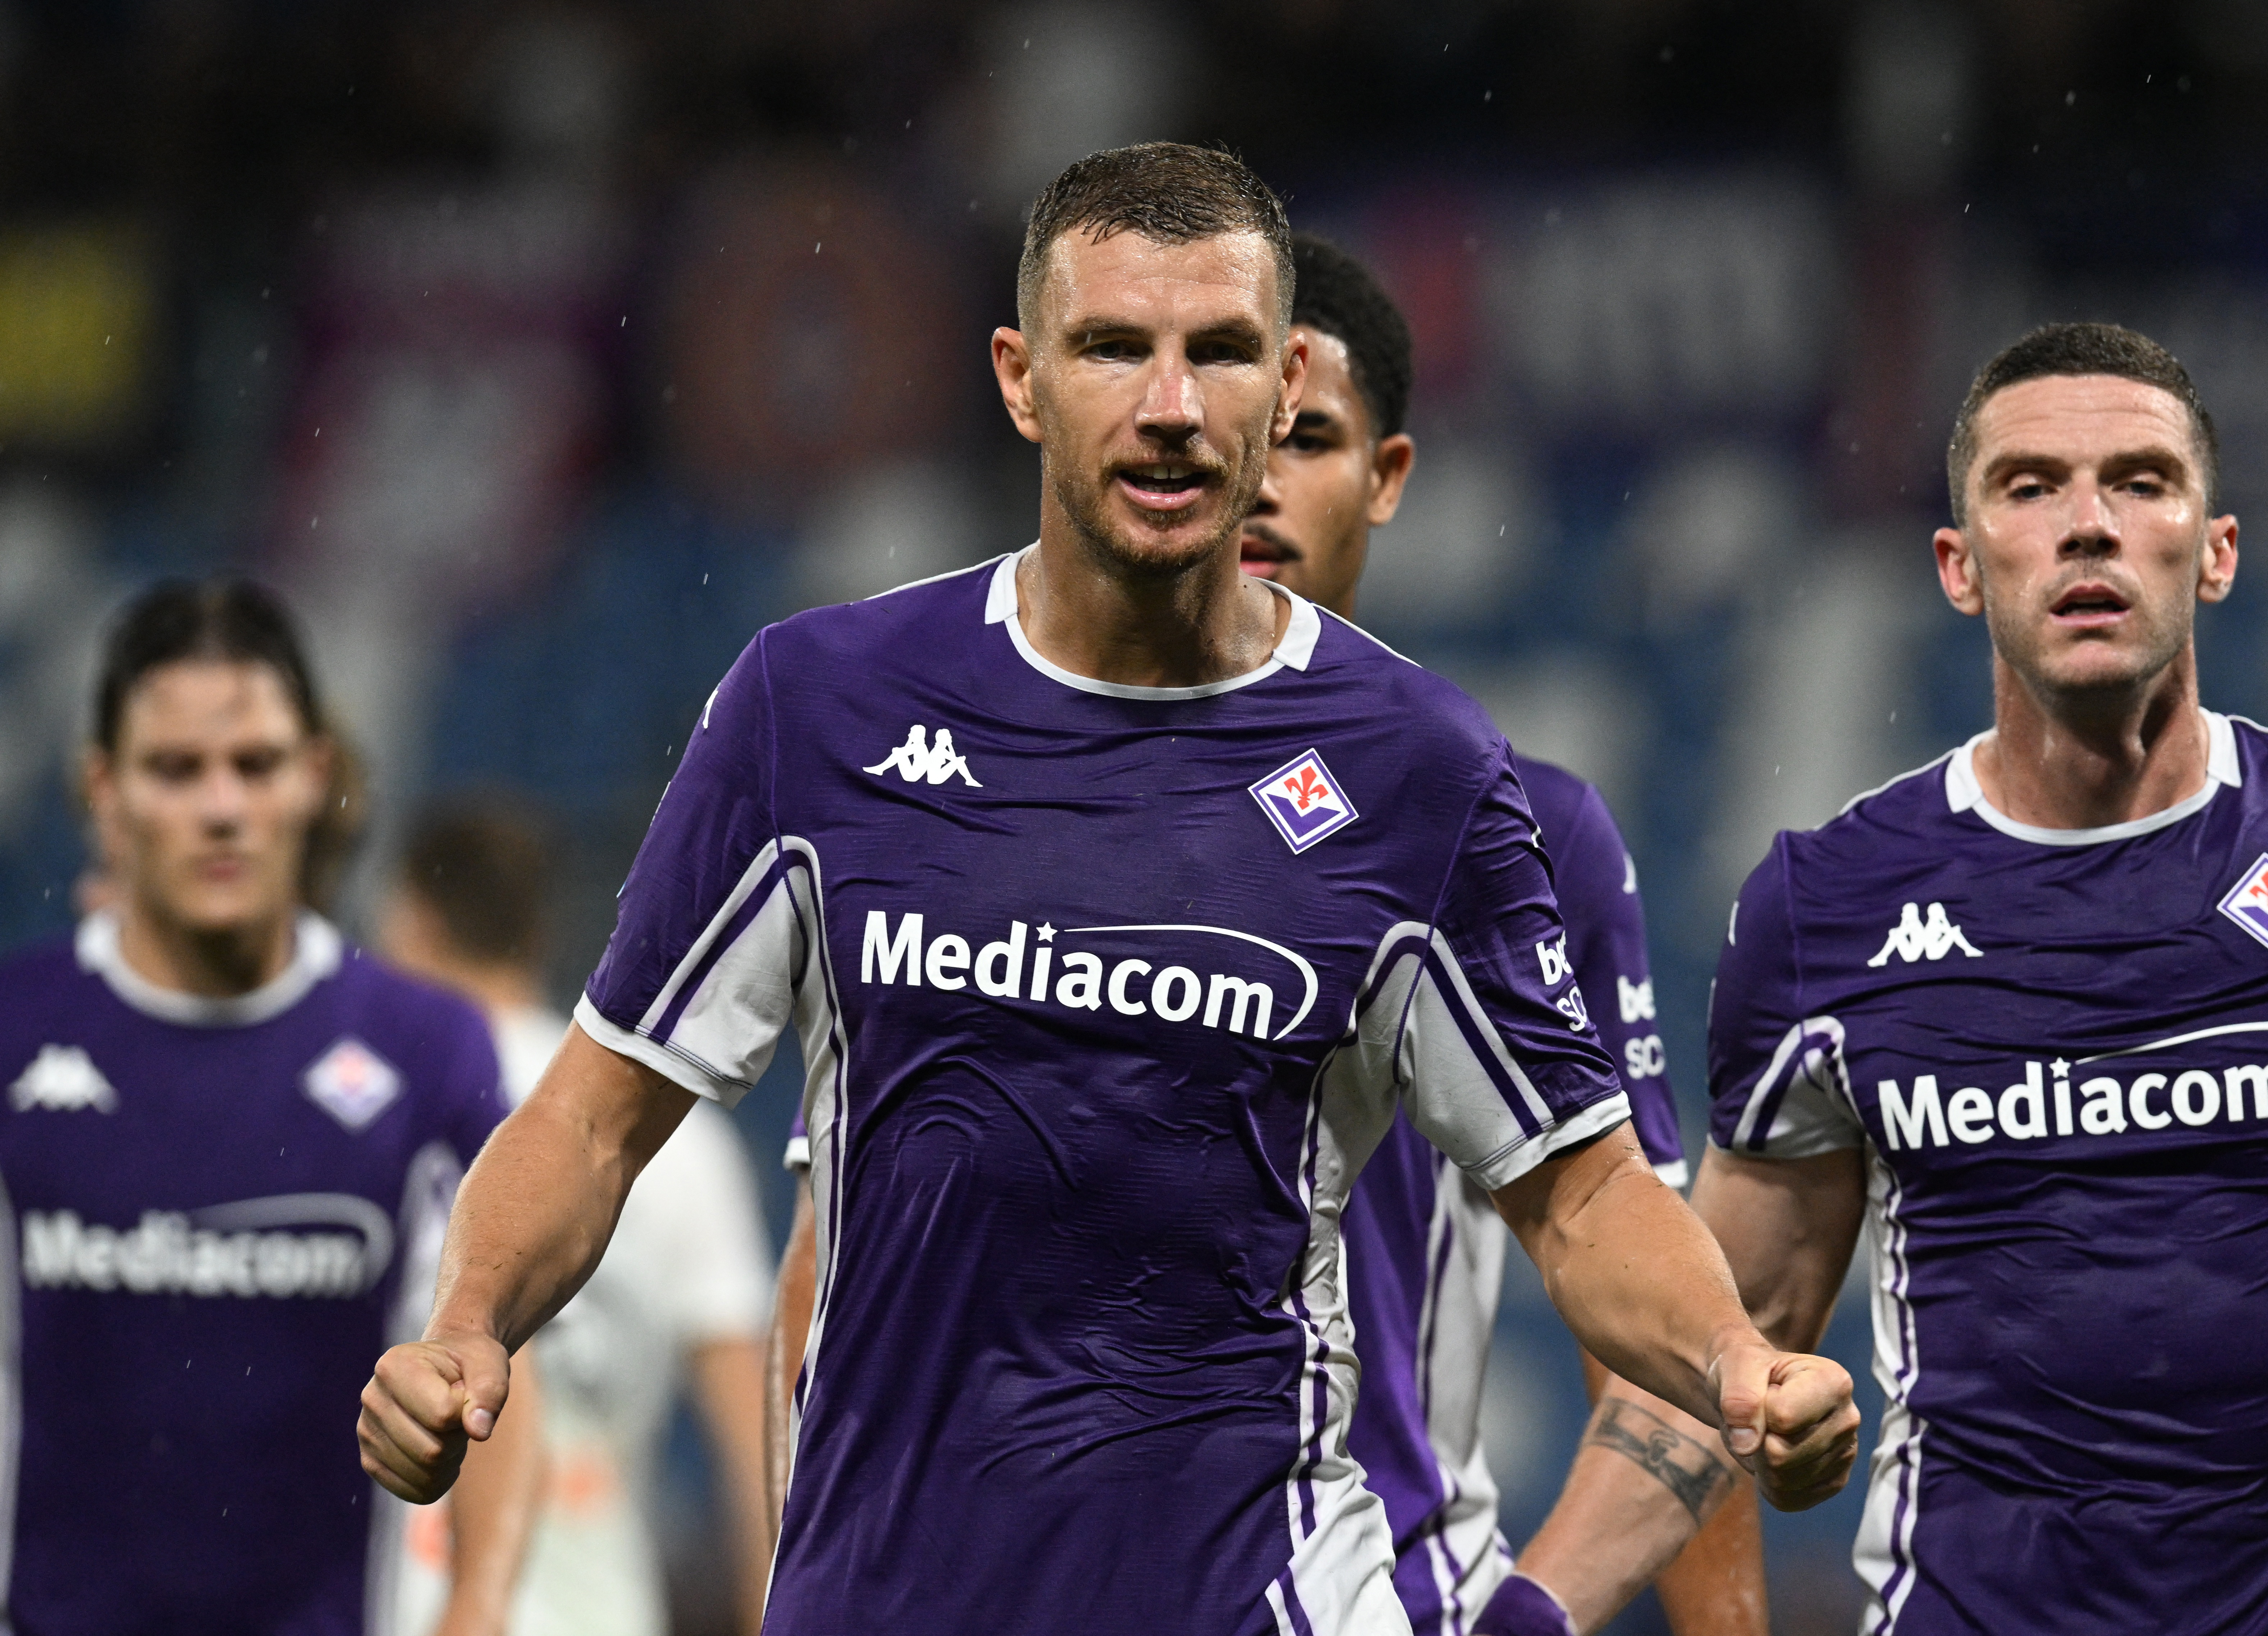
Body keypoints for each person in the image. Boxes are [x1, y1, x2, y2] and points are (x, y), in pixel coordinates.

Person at [357, 142, 1858, 1636]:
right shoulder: (816, 709)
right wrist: (468, 1325)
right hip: (888, 1601)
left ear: (1281, 393)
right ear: (1021, 378)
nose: (1169, 406)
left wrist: (1733, 1359)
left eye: (1220, 355)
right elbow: (596, 1110)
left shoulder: (1418, 772)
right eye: (1113, 349)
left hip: (1256, 1599)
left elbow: (1585, 1192)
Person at [1578, 319, 2268, 1631]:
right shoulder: (1825, 912)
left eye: (2140, 481)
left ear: (2218, 552)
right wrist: (1533, 1610)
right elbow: (1720, 1368)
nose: (2089, 527)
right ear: (1959, 568)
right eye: (2031, 487)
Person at [1235, 231, 1764, 1636]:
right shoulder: (983, 805)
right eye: (1235, 433)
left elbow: (1652, 1320)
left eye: (1312, 439)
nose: (1261, 481)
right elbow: (835, 1276)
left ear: (1387, 477)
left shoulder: (1513, 829)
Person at [0, 578, 541, 1635]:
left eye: (254, 763)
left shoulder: (426, 1048)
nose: (221, 804)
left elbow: (496, 1366)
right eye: (175, 768)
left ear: (316, 775)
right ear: (101, 790)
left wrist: (476, 1603)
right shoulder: (15, 1025)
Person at [378, 798, 776, 1636]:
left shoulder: (376, 1097)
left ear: (410, 919)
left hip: (405, 1598)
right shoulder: (681, 1137)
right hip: (606, 1610)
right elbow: (758, 1437)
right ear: (539, 931)